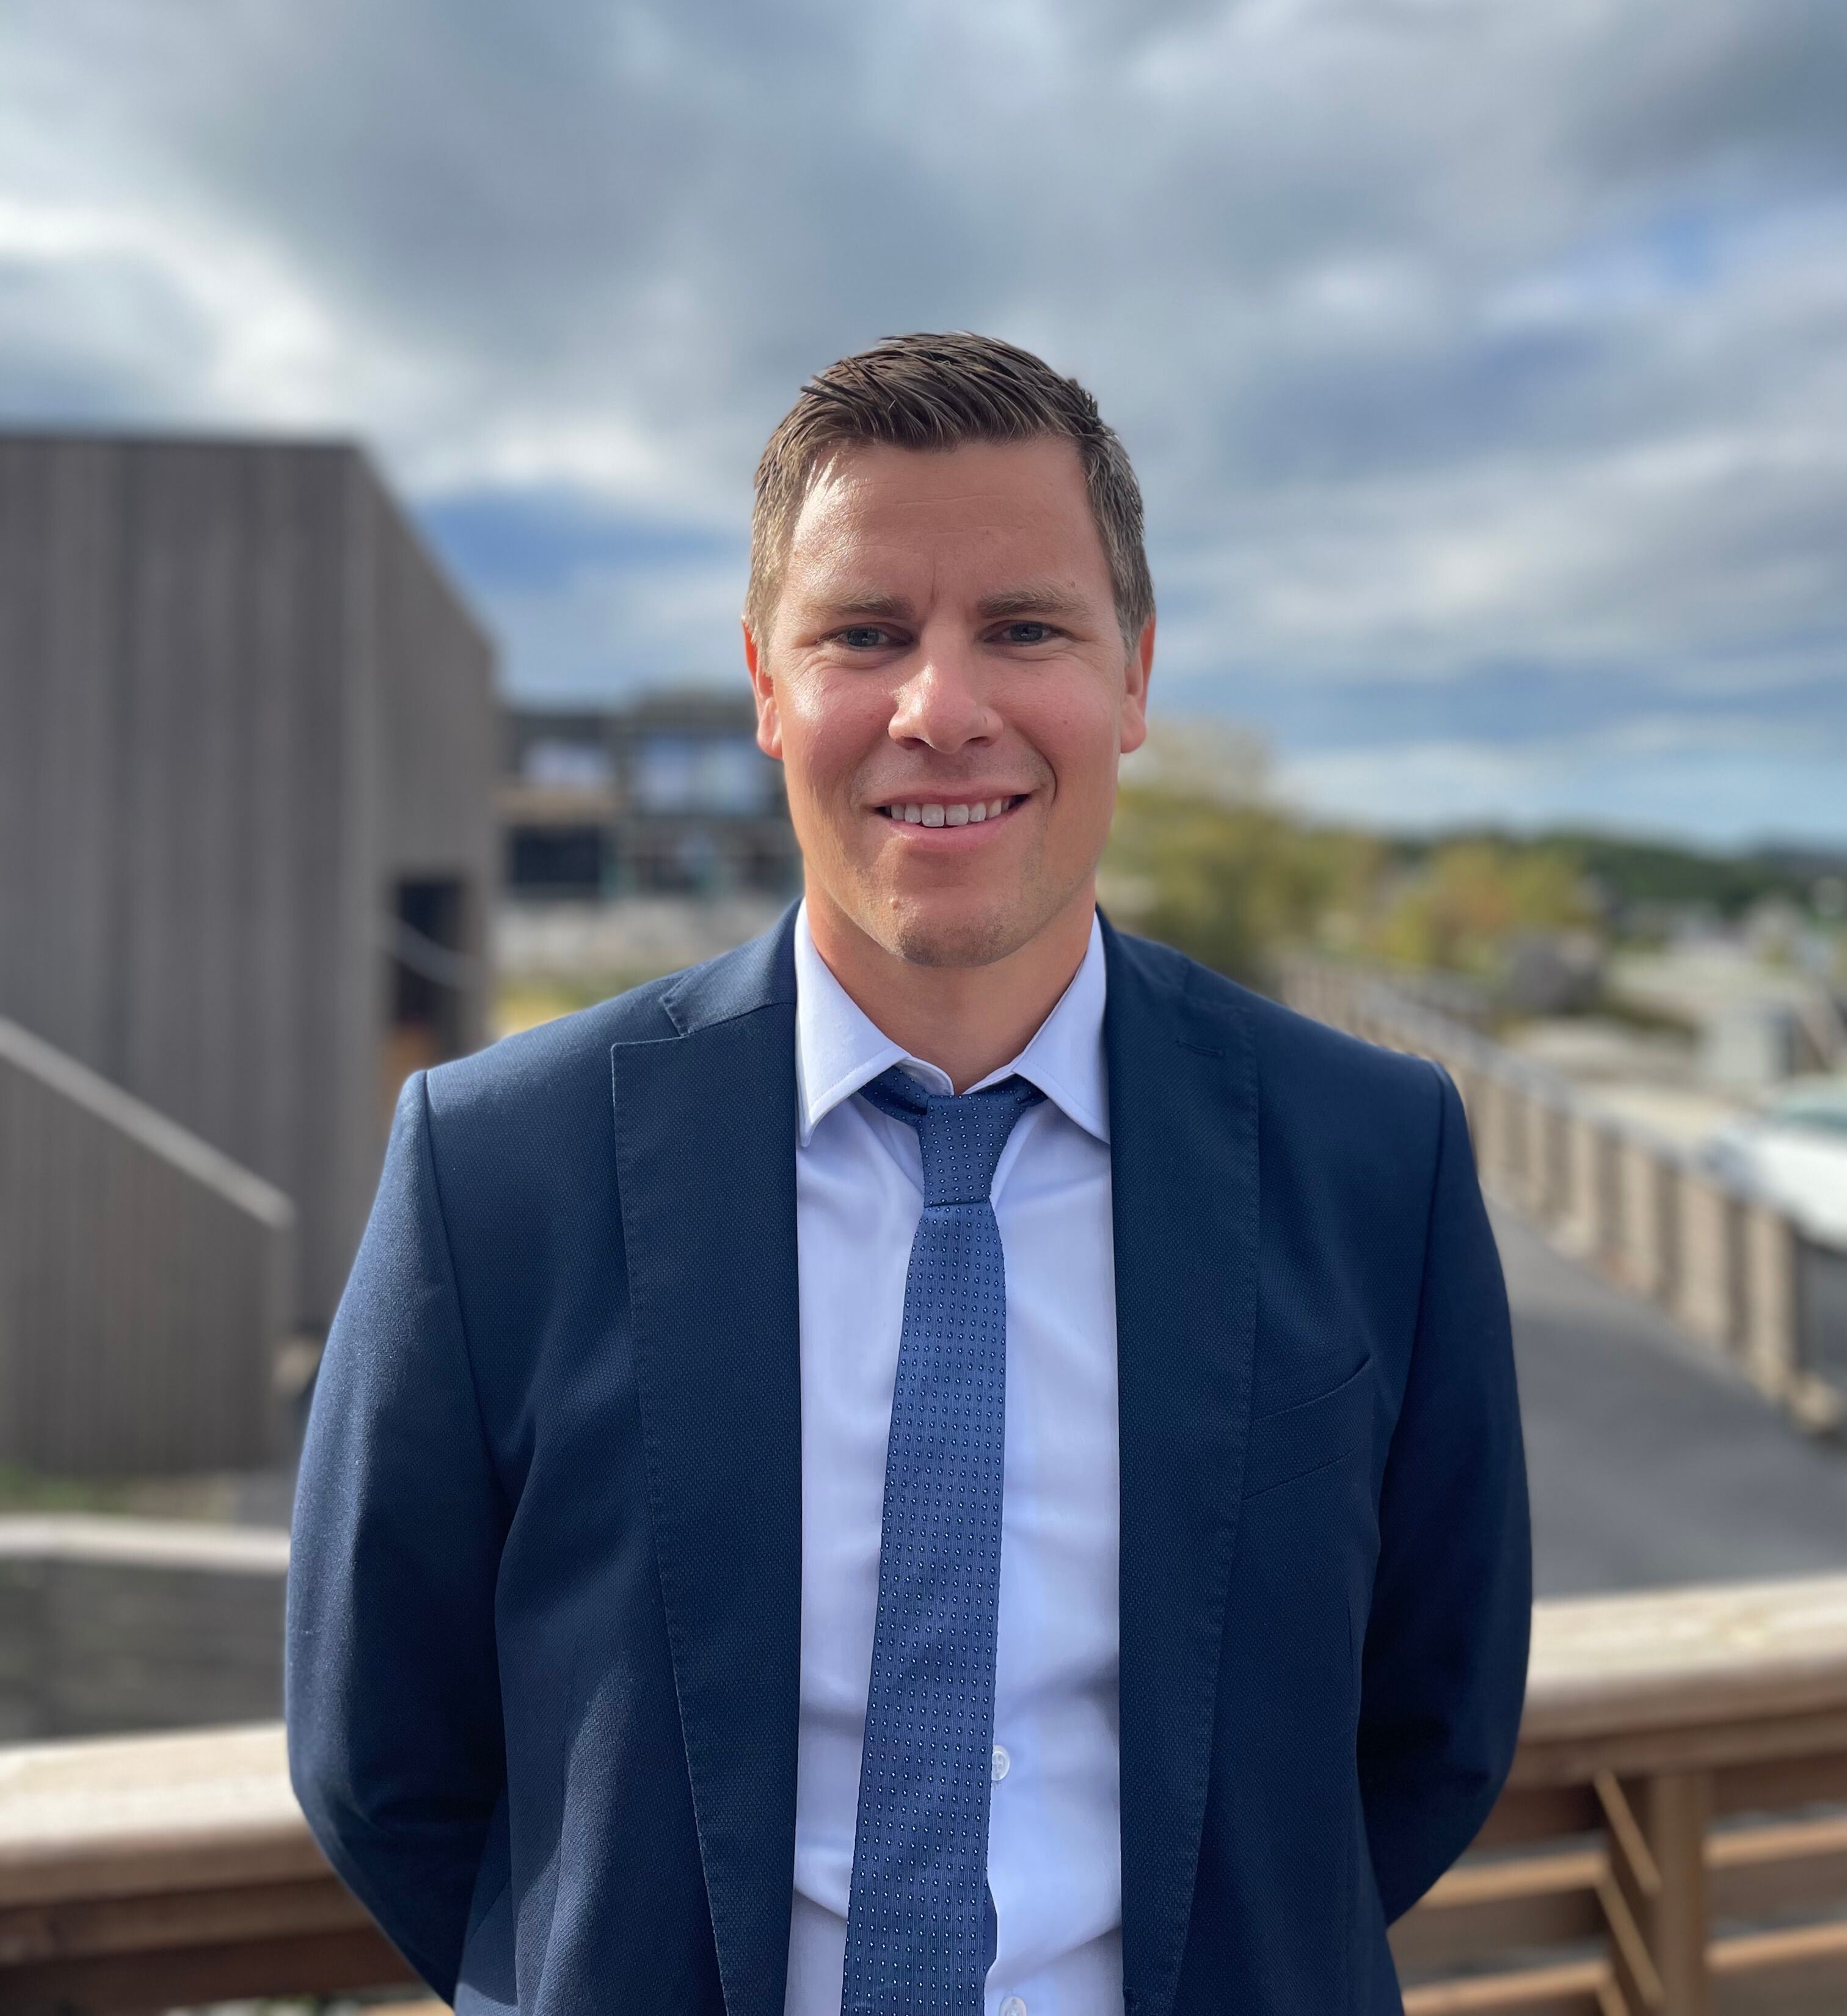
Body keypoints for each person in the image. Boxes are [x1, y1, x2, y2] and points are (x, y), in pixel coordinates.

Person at [287, 332, 1530, 2016]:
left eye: (1025, 627)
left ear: (1138, 675)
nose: (943, 710)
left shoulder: (1372, 1155)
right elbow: (380, 1751)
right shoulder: (496, 1168)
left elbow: (1433, 1723)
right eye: (866, 633)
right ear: (767, 684)